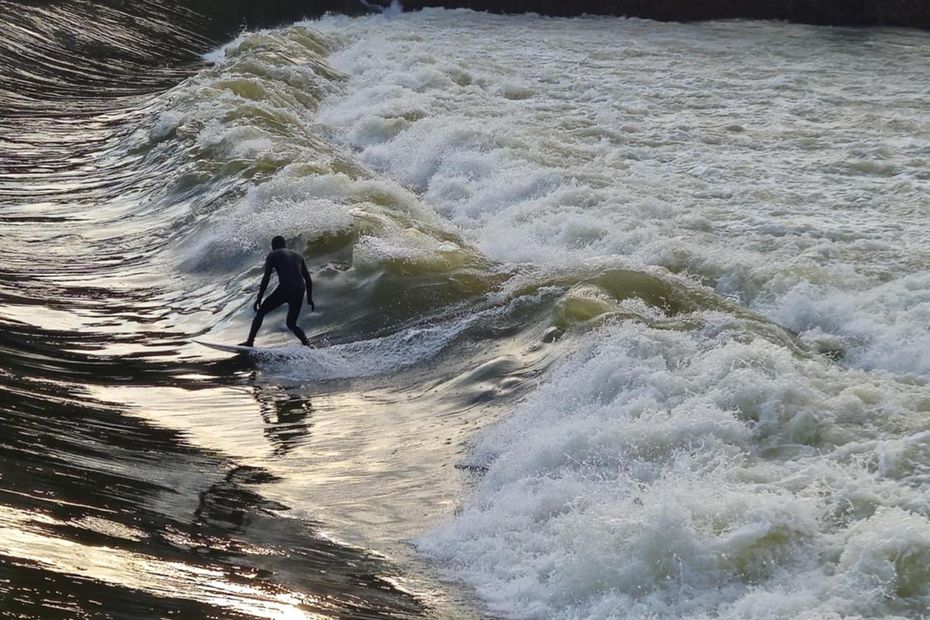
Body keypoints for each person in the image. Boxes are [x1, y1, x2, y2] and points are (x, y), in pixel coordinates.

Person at [240, 235, 314, 347]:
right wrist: (309, 298)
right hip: (300, 289)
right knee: (291, 323)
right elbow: (308, 279)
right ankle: (307, 344)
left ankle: (250, 341)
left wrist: (259, 296)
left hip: (286, 288)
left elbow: (266, 277)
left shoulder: (273, 255)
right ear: (284, 244)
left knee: (261, 312)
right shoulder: (297, 256)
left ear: (273, 246)